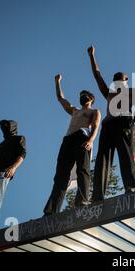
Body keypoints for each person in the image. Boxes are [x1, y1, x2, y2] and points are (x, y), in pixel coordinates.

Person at [88, 46, 135, 202]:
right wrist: (92, 56)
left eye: (121, 79)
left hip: (124, 122)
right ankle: (97, 195)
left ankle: (133, 185)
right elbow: (97, 76)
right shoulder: (109, 93)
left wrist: (130, 121)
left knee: (127, 155)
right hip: (108, 126)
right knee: (102, 159)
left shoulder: (132, 91)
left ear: (126, 80)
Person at [43, 74, 101, 215]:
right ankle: (51, 210)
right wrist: (57, 82)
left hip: (82, 138)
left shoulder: (94, 111)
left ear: (91, 99)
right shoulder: (75, 110)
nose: (82, 96)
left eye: (85, 95)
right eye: (81, 95)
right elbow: (61, 99)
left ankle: (81, 201)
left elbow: (95, 126)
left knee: (83, 170)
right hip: (68, 140)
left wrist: (91, 140)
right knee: (61, 176)